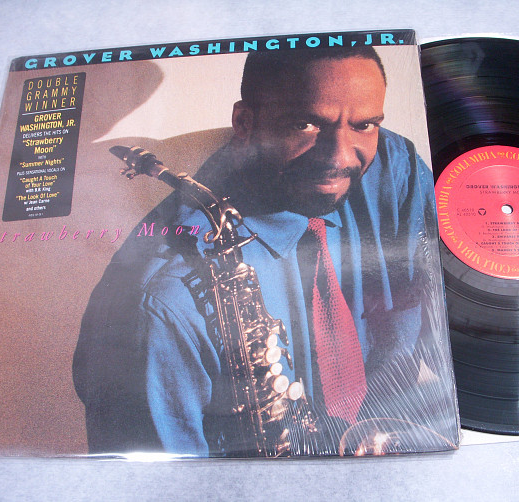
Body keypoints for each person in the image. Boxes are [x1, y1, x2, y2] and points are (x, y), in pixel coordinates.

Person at [73, 46, 450, 456]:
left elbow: (446, 333)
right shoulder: (160, 309)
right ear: (243, 122)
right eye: (305, 124)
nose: (341, 157)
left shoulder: (393, 168)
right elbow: (156, 482)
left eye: (364, 125)